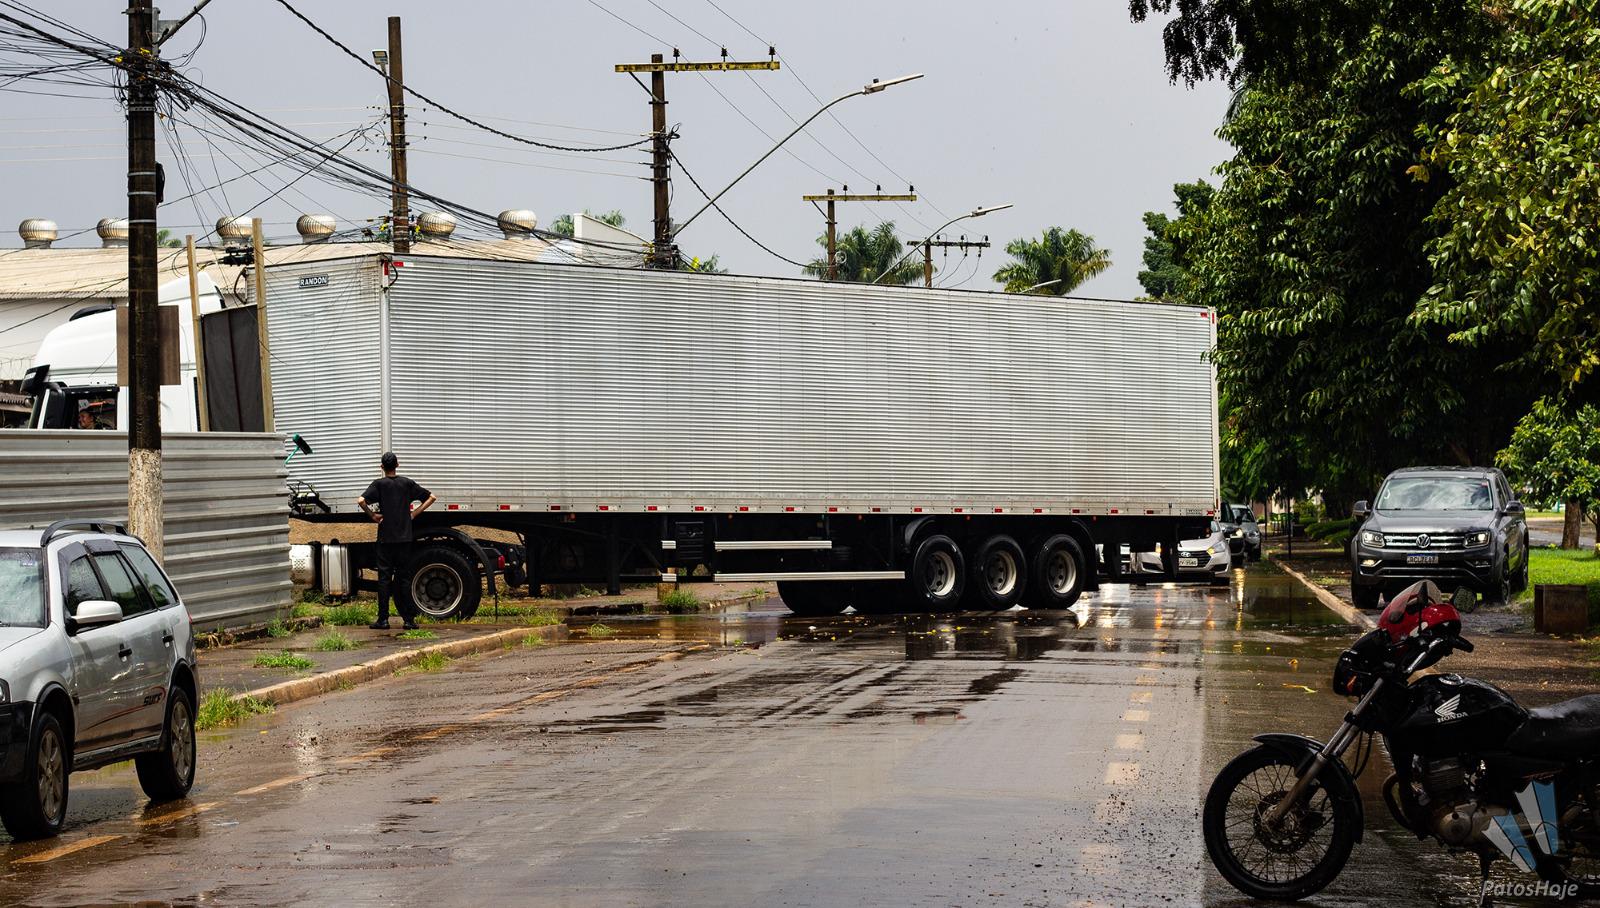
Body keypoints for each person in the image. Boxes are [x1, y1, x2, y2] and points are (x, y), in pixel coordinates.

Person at [357, 452, 436, 630]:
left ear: (382, 467)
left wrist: (373, 516)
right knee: (404, 579)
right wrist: (413, 514)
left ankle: (383, 620)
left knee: (384, 580)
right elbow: (432, 497)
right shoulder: (406, 483)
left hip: (385, 539)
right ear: (397, 465)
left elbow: (361, 500)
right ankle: (408, 620)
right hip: (404, 538)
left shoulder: (379, 484)